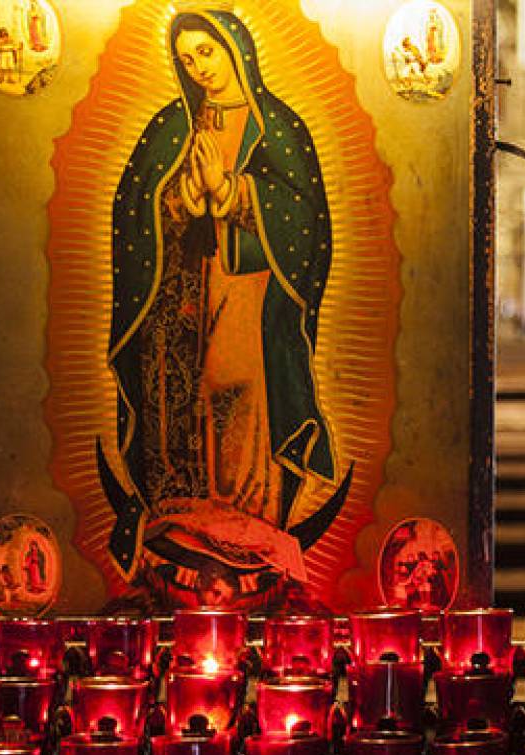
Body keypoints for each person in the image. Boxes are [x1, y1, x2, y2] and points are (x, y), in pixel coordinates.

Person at [100, 9, 334, 584]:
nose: (199, 67)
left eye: (206, 51)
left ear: (236, 49)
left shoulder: (278, 127)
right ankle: (192, 526)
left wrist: (231, 192)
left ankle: (249, 531)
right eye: (187, 59)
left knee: (239, 390)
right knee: (187, 398)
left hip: (250, 291)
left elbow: (306, 221)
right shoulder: (171, 126)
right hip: (180, 296)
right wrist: (184, 196)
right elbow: (133, 210)